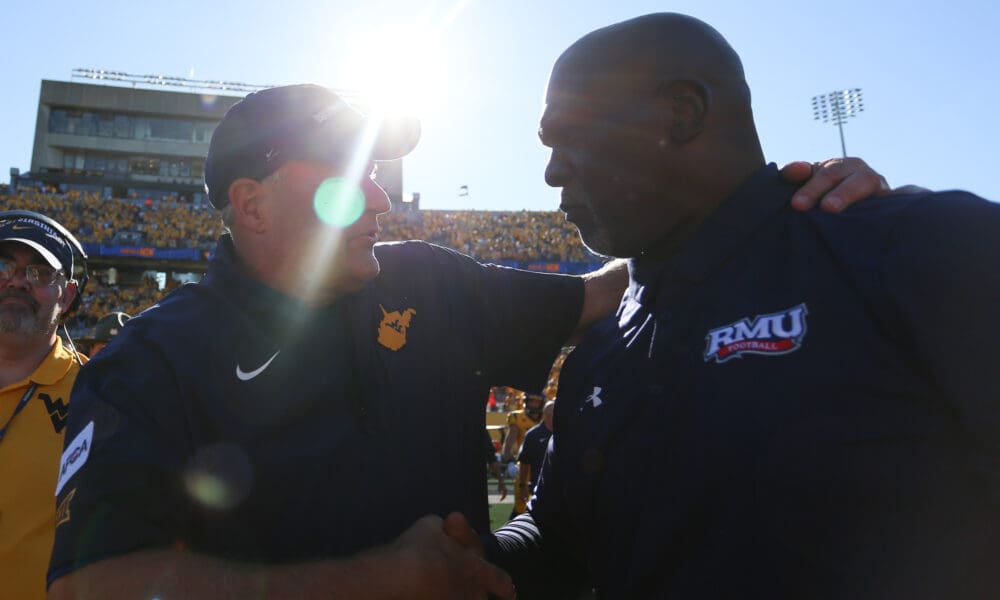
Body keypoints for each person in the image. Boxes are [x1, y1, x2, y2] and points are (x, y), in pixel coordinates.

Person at [49, 83, 887, 599]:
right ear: (252, 204)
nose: (380, 201)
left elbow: (609, 292)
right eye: (349, 180)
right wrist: (365, 586)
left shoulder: (428, 282)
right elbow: (93, 584)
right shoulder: (148, 361)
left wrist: (773, 216)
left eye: (378, 174)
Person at [491, 13, 1000, 599]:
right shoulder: (604, 345)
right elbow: (561, 541)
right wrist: (467, 560)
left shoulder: (914, 249)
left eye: (568, 136)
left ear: (681, 113)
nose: (552, 169)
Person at [0, 211, 87, 599]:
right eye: (4, 265)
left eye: (39, 272)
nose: (16, 281)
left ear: (68, 295)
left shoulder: (100, 393)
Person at [513, 400, 554, 514]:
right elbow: (524, 462)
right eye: (551, 413)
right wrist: (522, 485)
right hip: (538, 486)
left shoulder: (563, 433)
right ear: (545, 414)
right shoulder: (533, 435)